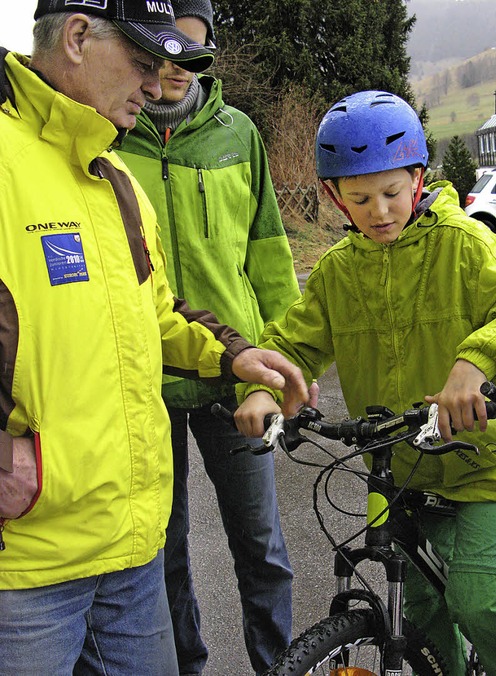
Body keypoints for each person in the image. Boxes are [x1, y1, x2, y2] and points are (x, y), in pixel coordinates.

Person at [0, 1, 309, 674]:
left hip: (129, 558)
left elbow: (154, 311)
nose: (155, 80)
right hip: (25, 570)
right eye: (143, 62)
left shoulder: (114, 179)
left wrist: (237, 351)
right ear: (78, 37)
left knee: (260, 550)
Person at [235, 90, 496, 675]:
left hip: (486, 459)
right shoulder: (339, 270)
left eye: (392, 192)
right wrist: (264, 388)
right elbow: (292, 342)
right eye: (360, 198)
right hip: (403, 464)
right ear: (333, 196)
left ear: (418, 180)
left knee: (477, 598)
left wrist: (477, 362)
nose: (379, 211)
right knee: (417, 606)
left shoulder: (463, 245)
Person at [116, 1, 305, 672]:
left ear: (210, 52)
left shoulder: (239, 133)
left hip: (238, 379)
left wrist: (285, 361)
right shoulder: (113, 134)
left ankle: (281, 664)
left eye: (189, 52)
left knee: (262, 548)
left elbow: (270, 260)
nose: (170, 68)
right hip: (146, 379)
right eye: (157, 52)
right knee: (164, 551)